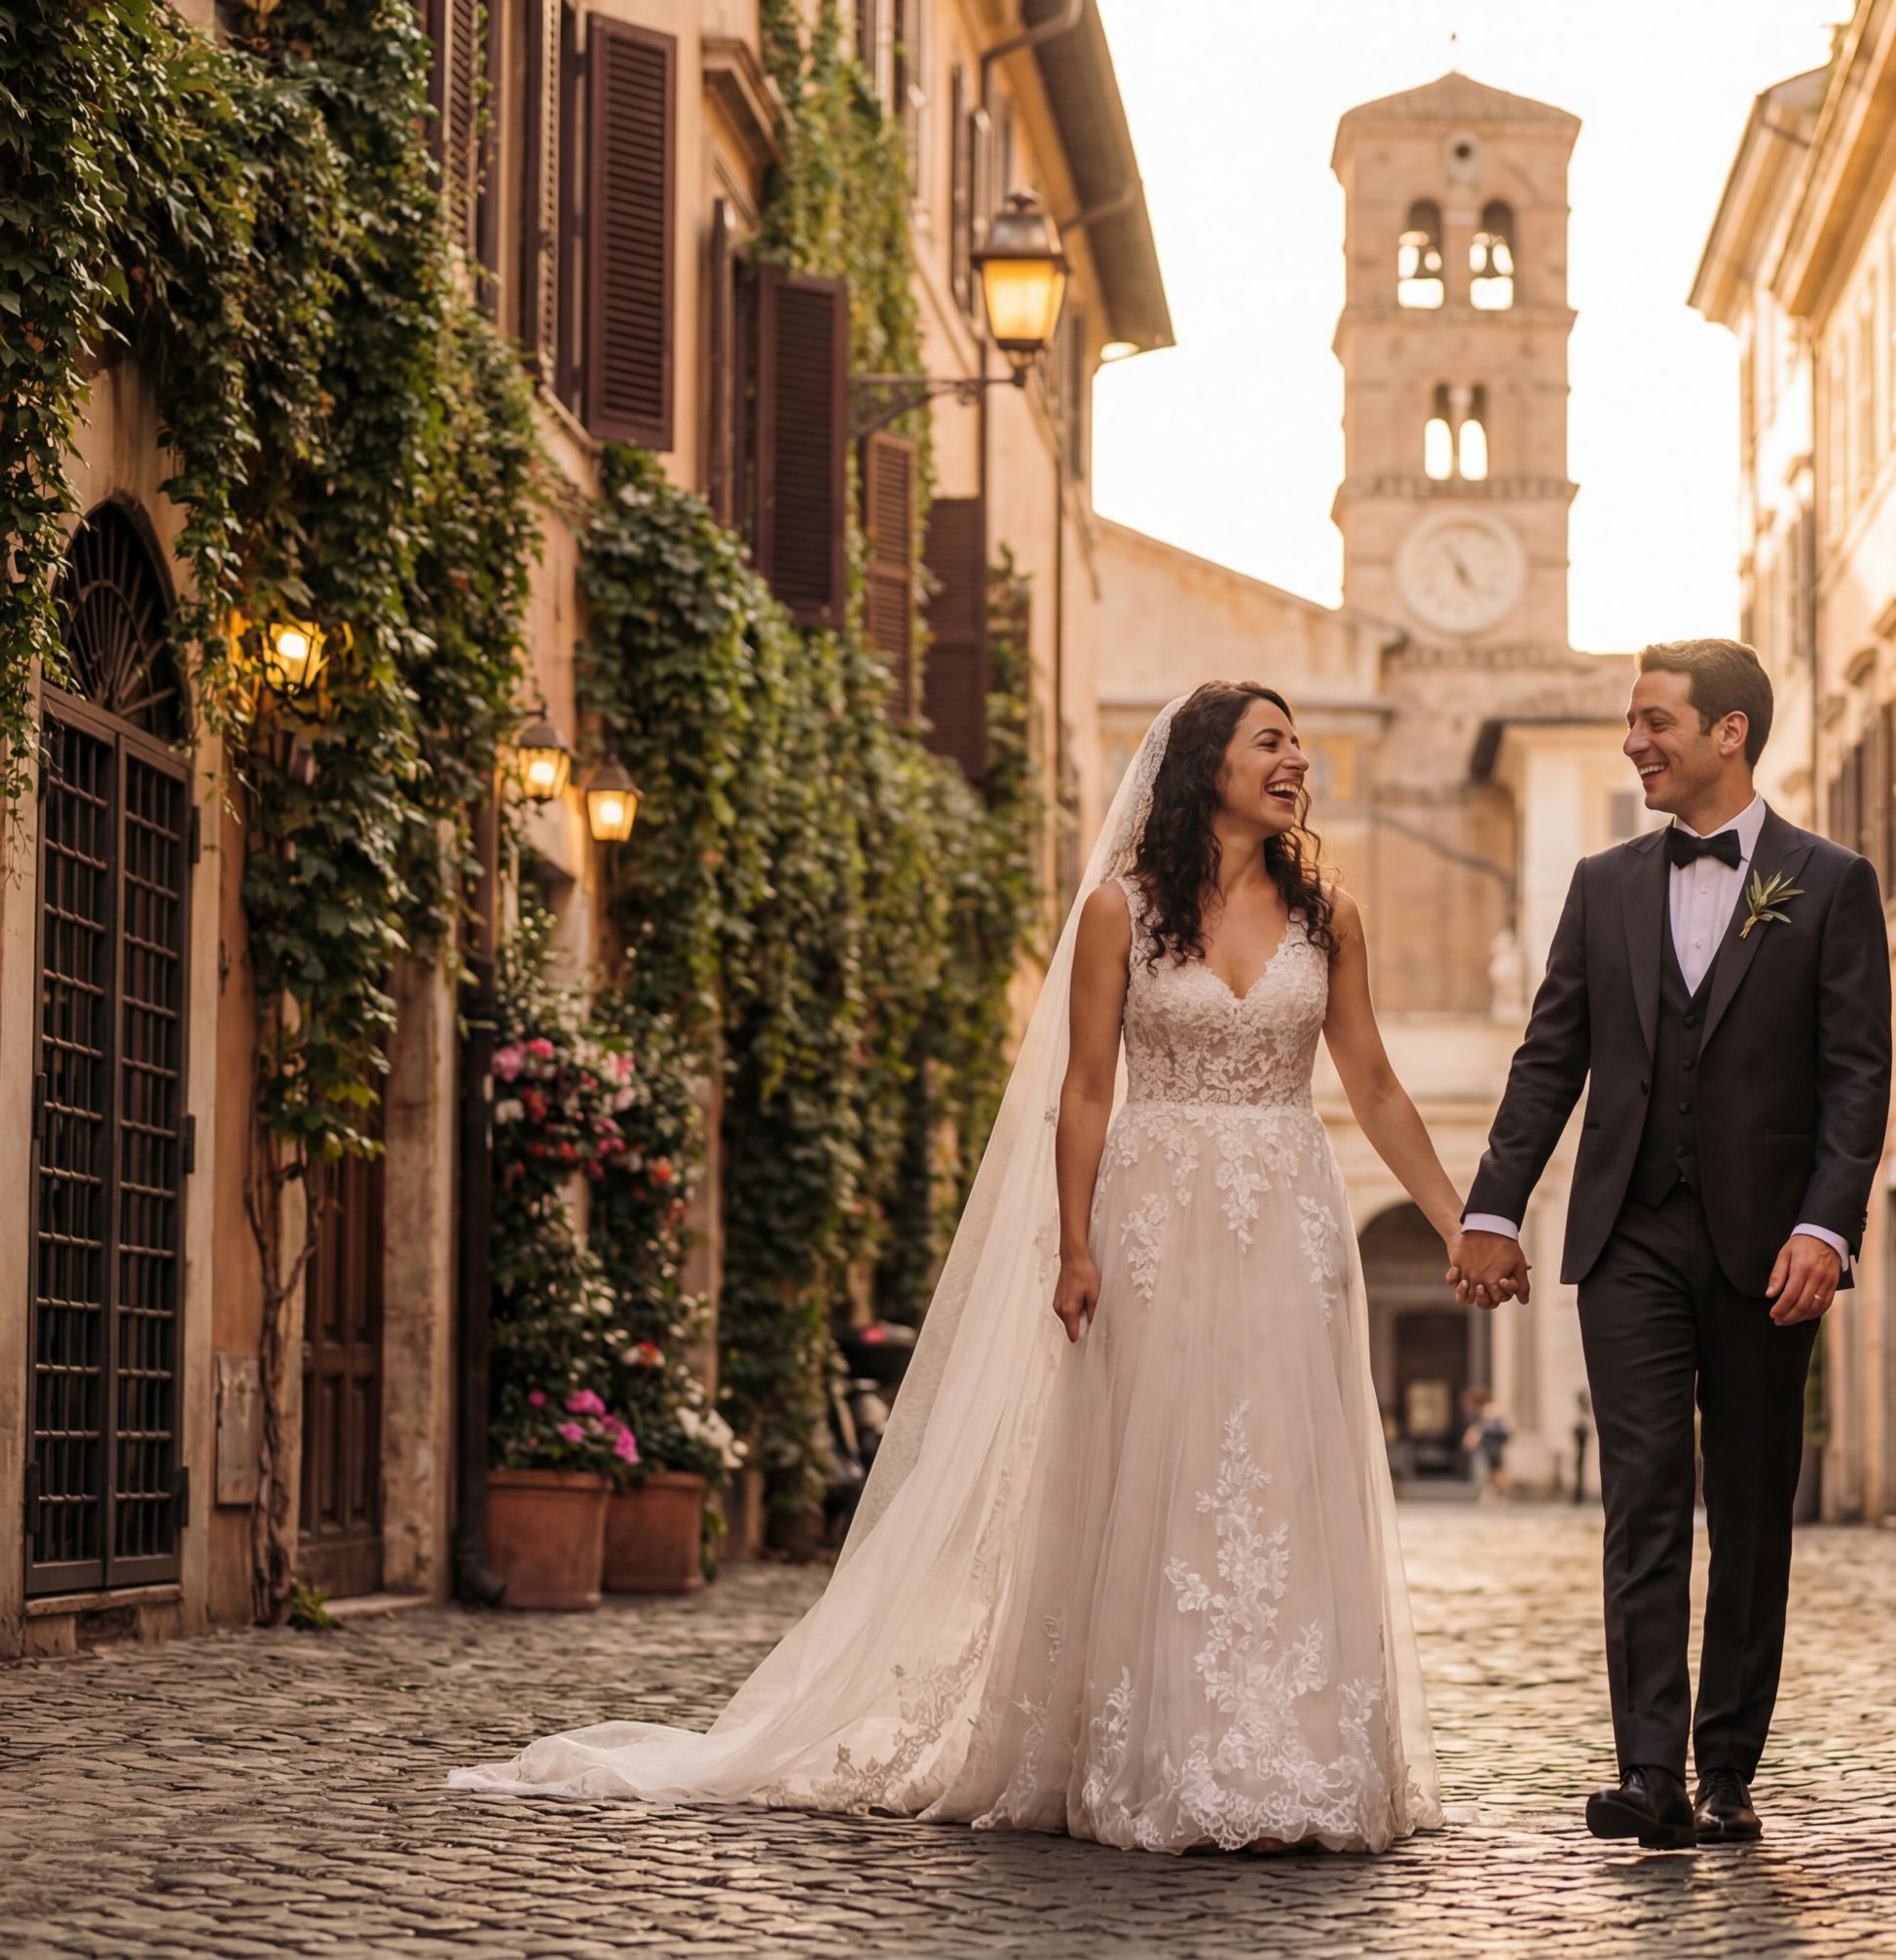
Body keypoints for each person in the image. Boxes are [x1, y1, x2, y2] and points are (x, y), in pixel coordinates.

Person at [455, 684, 1463, 1855]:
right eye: (1271, 742)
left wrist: (1458, 1221)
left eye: (1297, 745)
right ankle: (1159, 1752)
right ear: (1206, 769)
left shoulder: (1328, 915)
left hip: (1287, 1215)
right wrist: (1076, 1241)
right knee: (1159, 1462)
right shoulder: (1117, 914)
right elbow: (1087, 1090)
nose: (1297, 762)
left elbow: (1376, 1084)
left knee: (1281, 1467)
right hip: (1151, 1217)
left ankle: (1298, 1758)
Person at [1454, 640, 1890, 1851]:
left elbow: (1859, 1078)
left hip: (1770, 1250)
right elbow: (1552, 1057)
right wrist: (1494, 1205)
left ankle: (1730, 1767)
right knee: (1643, 1497)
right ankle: (1649, 1770)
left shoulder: (1830, 883)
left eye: (1655, 722)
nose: (1634, 742)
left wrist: (1826, 1226)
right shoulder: (1600, 886)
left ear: (1729, 733)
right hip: (1631, 1234)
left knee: (1749, 1507)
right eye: (1631, 722)